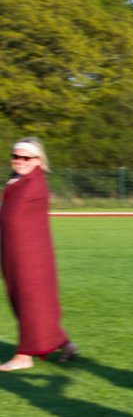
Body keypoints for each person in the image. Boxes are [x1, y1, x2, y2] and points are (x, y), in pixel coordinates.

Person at [1, 138, 77, 371]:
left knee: (30, 302)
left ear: (38, 160)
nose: (20, 161)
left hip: (29, 256)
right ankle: (65, 344)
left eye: (26, 157)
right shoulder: (21, 181)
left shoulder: (33, 183)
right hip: (19, 252)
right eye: (16, 156)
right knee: (29, 302)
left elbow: (12, 217)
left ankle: (24, 356)